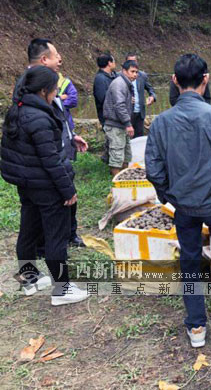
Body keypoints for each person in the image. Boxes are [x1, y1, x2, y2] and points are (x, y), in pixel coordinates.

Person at [145, 53, 211, 349]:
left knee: (190, 265)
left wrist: (170, 195)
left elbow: (153, 169)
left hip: (185, 207)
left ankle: (196, 327)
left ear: (175, 81)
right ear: (205, 79)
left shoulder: (161, 122)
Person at [1, 66, 89, 305]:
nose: (55, 94)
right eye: (54, 90)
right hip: (47, 186)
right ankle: (62, 289)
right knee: (56, 236)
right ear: (43, 91)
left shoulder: (18, 109)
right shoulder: (39, 118)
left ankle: (29, 279)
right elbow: (51, 160)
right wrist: (68, 190)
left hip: (27, 184)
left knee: (28, 230)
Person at [14, 38, 87, 248]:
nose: (60, 59)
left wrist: (70, 136)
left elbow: (57, 115)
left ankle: (67, 235)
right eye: (56, 56)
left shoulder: (49, 81)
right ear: (44, 59)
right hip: (42, 166)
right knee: (44, 212)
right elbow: (34, 129)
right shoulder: (27, 85)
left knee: (66, 199)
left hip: (55, 154)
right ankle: (48, 248)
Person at [103, 60, 138, 176]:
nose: (135, 75)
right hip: (115, 125)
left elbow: (121, 102)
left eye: (136, 72)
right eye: (132, 71)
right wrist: (128, 124)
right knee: (117, 156)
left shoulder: (125, 83)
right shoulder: (119, 83)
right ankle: (116, 184)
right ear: (124, 71)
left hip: (121, 125)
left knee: (126, 155)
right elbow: (119, 105)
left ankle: (124, 179)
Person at [124, 53, 156, 138]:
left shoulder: (142, 75)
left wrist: (152, 97)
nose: (132, 64)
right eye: (130, 61)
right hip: (126, 114)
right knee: (127, 139)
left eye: (134, 61)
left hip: (140, 113)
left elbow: (150, 89)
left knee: (139, 138)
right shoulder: (120, 76)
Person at [93, 53, 117, 126]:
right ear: (109, 63)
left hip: (115, 117)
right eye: (114, 61)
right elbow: (103, 99)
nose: (115, 64)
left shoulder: (113, 76)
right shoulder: (100, 79)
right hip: (108, 119)